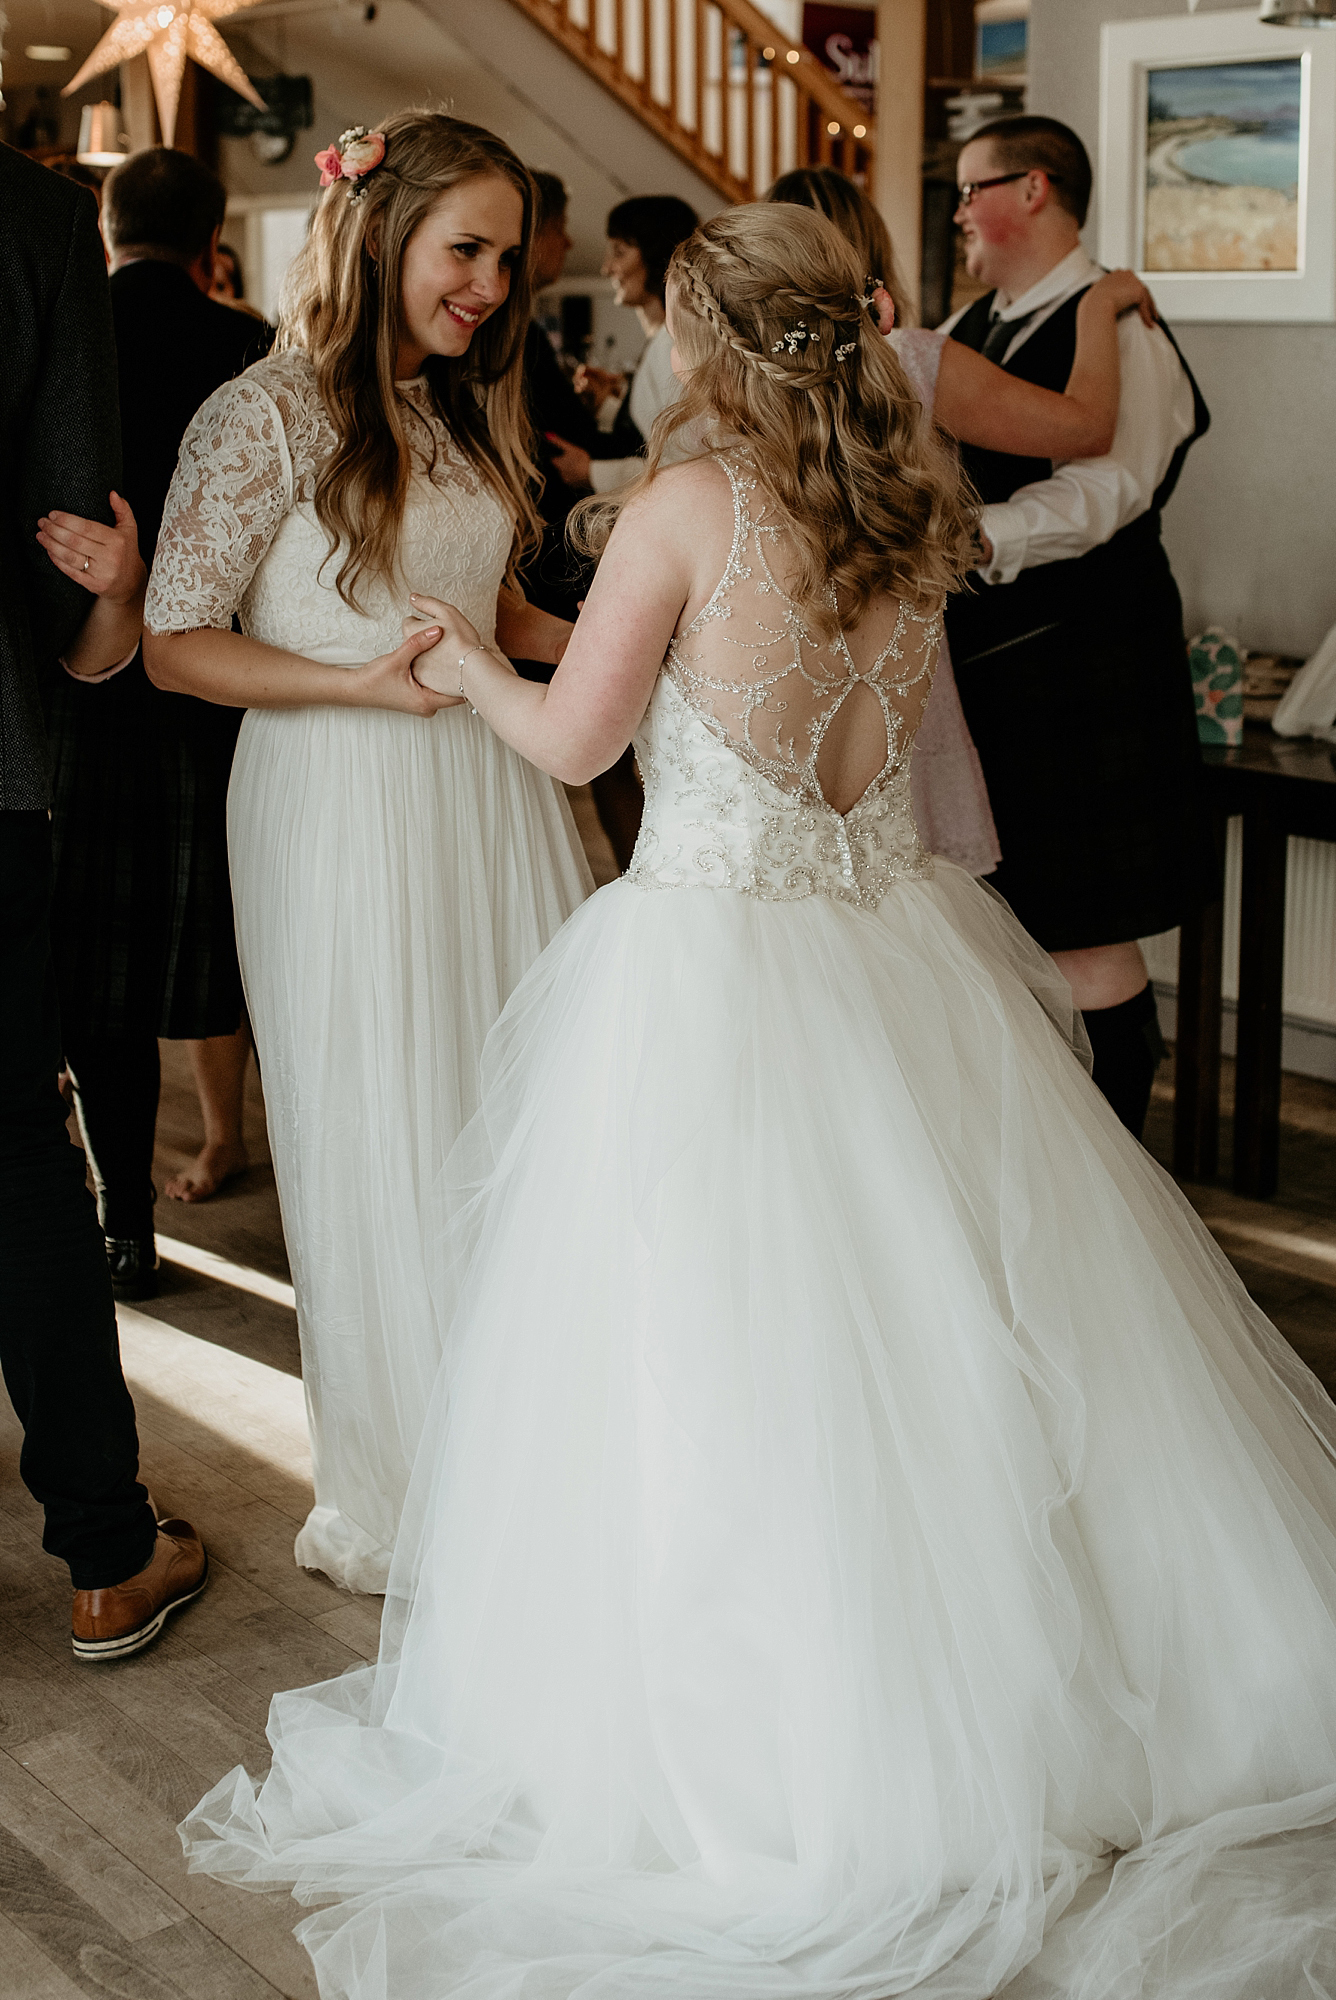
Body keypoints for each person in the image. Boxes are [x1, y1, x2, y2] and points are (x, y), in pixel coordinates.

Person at [180, 203, 1336, 2000]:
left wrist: (474, 657)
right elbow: (923, 784)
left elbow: (577, 745)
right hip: (895, 952)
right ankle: (1024, 1702)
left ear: (706, 342)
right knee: (953, 1336)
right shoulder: (902, 515)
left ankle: (777, 1747)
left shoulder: (684, 512)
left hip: (715, 968)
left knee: (715, 1359)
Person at [142, 111, 593, 1595]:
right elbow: (172, 644)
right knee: (383, 1113)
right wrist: (354, 684)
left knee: (515, 1115)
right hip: (340, 791)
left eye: (505, 258)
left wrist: (668, 650)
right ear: (382, 228)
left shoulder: (466, 412)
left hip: (492, 789)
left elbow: (507, 612)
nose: (487, 284)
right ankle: (414, 1476)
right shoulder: (260, 413)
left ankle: (541, 1449)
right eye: (465, 248)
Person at [0, 138, 206, 1663]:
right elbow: (77, 550)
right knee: (14, 1154)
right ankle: (104, 1553)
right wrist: (112, 615)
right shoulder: (32, 222)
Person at [768, 166, 1159, 884]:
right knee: (911, 922)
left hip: (776, 660)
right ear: (866, 251)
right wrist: (1099, 304)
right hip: (896, 661)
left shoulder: (747, 379)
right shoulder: (912, 362)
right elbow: (1092, 426)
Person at [943, 115, 1212, 1139]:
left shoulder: (1124, 324)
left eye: (971, 189)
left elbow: (1114, 485)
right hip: (989, 671)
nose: (958, 212)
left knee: (1085, 927)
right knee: (1004, 919)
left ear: (1035, 190)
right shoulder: (973, 326)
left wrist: (970, 535)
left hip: (1086, 662)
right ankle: (1037, 1150)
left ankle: (1118, 1169)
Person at [42, 149, 273, 1304]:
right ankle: (265, 1160)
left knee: (103, 977)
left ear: (111, 222)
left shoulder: (71, 326)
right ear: (210, 232)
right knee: (244, 939)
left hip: (87, 681)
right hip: (227, 690)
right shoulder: (251, 341)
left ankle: (124, 1226)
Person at [518, 169, 644, 869]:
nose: (570, 245)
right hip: (548, 567)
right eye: (563, 230)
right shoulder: (518, 337)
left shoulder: (529, 336)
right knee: (603, 749)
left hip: (559, 563)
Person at [546, 193, 698, 495]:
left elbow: (681, 463)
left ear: (655, 254)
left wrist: (592, 472)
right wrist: (609, 406)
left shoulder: (674, 346)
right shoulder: (661, 339)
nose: (606, 268)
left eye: (619, 251)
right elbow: (654, 430)